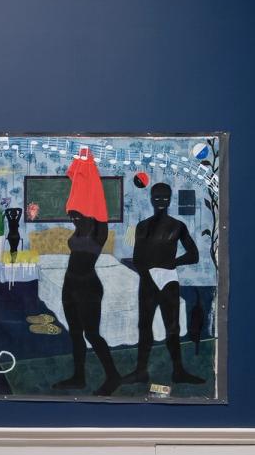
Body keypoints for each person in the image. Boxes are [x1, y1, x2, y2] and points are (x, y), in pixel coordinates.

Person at [53, 149, 122, 396]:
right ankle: (79, 377)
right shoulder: (80, 227)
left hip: (88, 287)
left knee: (92, 334)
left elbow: (94, 197)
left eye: (76, 215)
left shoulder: (98, 229)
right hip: (70, 284)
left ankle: (113, 377)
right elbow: (80, 201)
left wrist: (87, 167)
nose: (72, 217)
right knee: (75, 333)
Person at [122, 182, 205, 385]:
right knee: (144, 327)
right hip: (148, 280)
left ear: (170, 200)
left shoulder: (178, 226)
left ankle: (178, 371)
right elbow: (138, 259)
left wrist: (173, 262)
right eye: (156, 198)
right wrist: (150, 277)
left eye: (164, 198)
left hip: (168, 281)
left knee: (173, 328)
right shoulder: (142, 226)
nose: (160, 202)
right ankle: (141, 371)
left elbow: (194, 255)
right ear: (151, 199)